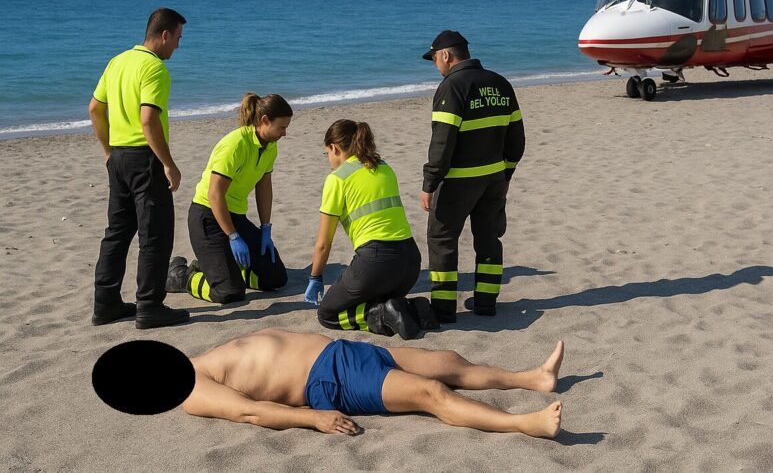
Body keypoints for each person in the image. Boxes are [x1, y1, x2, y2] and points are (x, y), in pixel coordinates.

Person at [183, 328, 563, 438]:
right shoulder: (192, 390)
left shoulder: (199, 358)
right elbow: (250, 412)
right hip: (329, 380)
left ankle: (532, 378)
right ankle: (525, 424)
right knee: (431, 393)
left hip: (342, 352)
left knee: (446, 363)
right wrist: (313, 419)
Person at [89, 7, 190, 329]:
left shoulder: (117, 61)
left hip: (118, 157)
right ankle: (150, 306)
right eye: (177, 38)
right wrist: (168, 164)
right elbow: (148, 119)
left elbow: (94, 109)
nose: (177, 45)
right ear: (164, 35)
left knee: (116, 234)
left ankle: (105, 304)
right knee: (155, 235)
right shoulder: (154, 68)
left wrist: (108, 151)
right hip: (144, 159)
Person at [420, 31, 525, 323]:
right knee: (488, 238)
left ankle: (443, 308)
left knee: (442, 240)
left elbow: (442, 143)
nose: (435, 66)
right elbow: (517, 139)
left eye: (434, 59)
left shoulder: (451, 87)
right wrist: (506, 174)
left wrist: (429, 184)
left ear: (445, 55)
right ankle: (486, 302)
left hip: (456, 182)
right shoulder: (500, 83)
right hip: (493, 179)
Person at [305, 120, 426, 340]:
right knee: (377, 298)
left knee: (328, 314)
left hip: (376, 263)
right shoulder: (384, 167)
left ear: (334, 148)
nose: (329, 161)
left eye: (327, 154)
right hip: (410, 263)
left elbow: (323, 243)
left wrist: (315, 277)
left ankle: (381, 314)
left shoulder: (337, 179)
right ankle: (413, 309)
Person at [166, 94, 290, 303]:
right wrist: (233, 236)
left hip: (235, 217)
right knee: (228, 292)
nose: (285, 133)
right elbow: (214, 195)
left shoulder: (270, 145)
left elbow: (264, 186)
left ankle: (224, 269)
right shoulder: (235, 145)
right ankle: (182, 275)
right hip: (208, 216)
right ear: (265, 121)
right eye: (281, 127)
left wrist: (266, 228)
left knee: (275, 278)